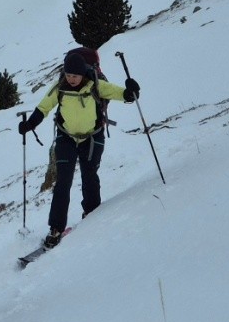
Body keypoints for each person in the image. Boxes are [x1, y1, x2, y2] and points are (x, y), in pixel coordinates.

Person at [18, 47, 140, 248]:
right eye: (68, 74)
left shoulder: (96, 85)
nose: (72, 79)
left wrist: (131, 92)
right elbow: (43, 107)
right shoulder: (59, 88)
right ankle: (56, 228)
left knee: (89, 175)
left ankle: (91, 213)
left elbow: (120, 93)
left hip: (92, 137)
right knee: (63, 182)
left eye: (75, 75)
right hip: (66, 138)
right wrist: (30, 124)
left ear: (83, 73)